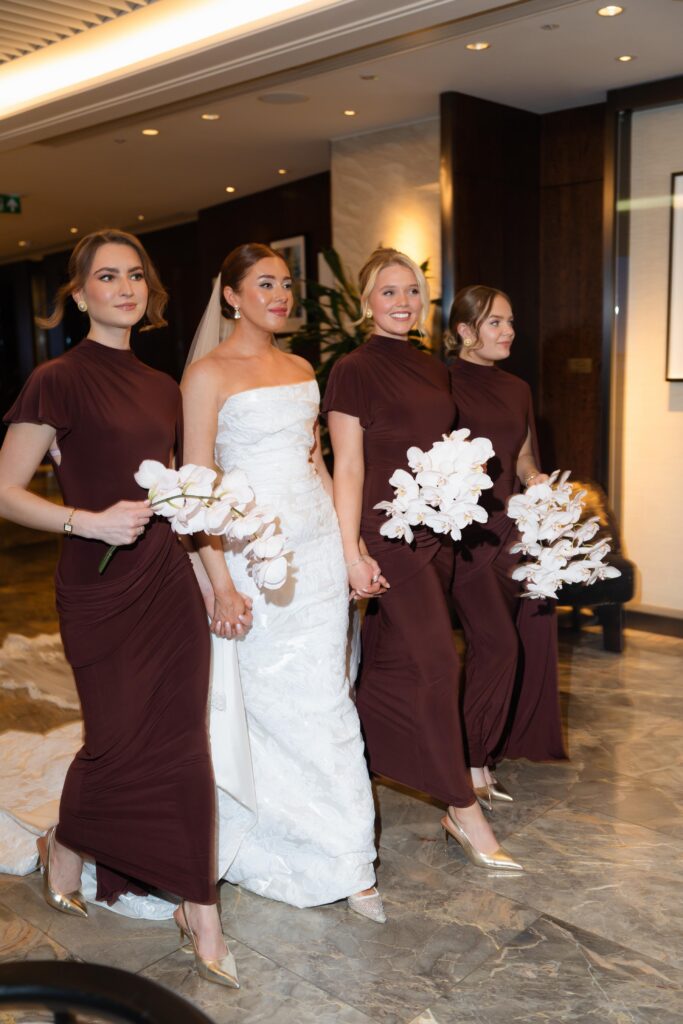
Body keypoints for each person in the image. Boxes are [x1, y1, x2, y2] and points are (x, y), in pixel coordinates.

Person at [0, 229, 238, 990]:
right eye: (107, 276)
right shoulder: (56, 379)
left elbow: (180, 499)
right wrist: (88, 521)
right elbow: (5, 492)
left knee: (178, 739)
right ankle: (65, 843)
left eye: (135, 275)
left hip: (165, 581)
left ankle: (199, 907)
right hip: (96, 582)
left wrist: (214, 578)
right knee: (112, 736)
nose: (125, 288)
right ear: (79, 294)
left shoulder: (164, 386)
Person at [181, 243, 383, 921]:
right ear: (231, 296)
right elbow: (195, 489)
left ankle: (348, 855)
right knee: (271, 704)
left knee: (327, 698)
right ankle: (276, 838)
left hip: (316, 551)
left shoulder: (302, 368)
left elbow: (318, 465)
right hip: (250, 558)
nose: (281, 295)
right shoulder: (207, 376)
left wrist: (348, 548)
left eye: (286, 284)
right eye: (264, 284)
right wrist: (219, 581)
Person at [323, 247, 522, 871]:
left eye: (412, 291)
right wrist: (351, 548)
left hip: (436, 534)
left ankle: (348, 768)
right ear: (365, 303)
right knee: (439, 663)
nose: (403, 302)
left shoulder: (433, 367)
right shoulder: (352, 369)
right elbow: (347, 465)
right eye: (389, 291)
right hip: (383, 535)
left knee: (386, 666)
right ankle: (461, 808)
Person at [447, 285, 566, 806]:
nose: (509, 332)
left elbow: (520, 455)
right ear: (464, 331)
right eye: (495, 323)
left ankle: (480, 758)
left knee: (500, 649)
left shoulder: (517, 388)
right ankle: (470, 763)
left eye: (511, 321)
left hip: (510, 531)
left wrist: (536, 477)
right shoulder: (440, 382)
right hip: (463, 538)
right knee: (497, 645)